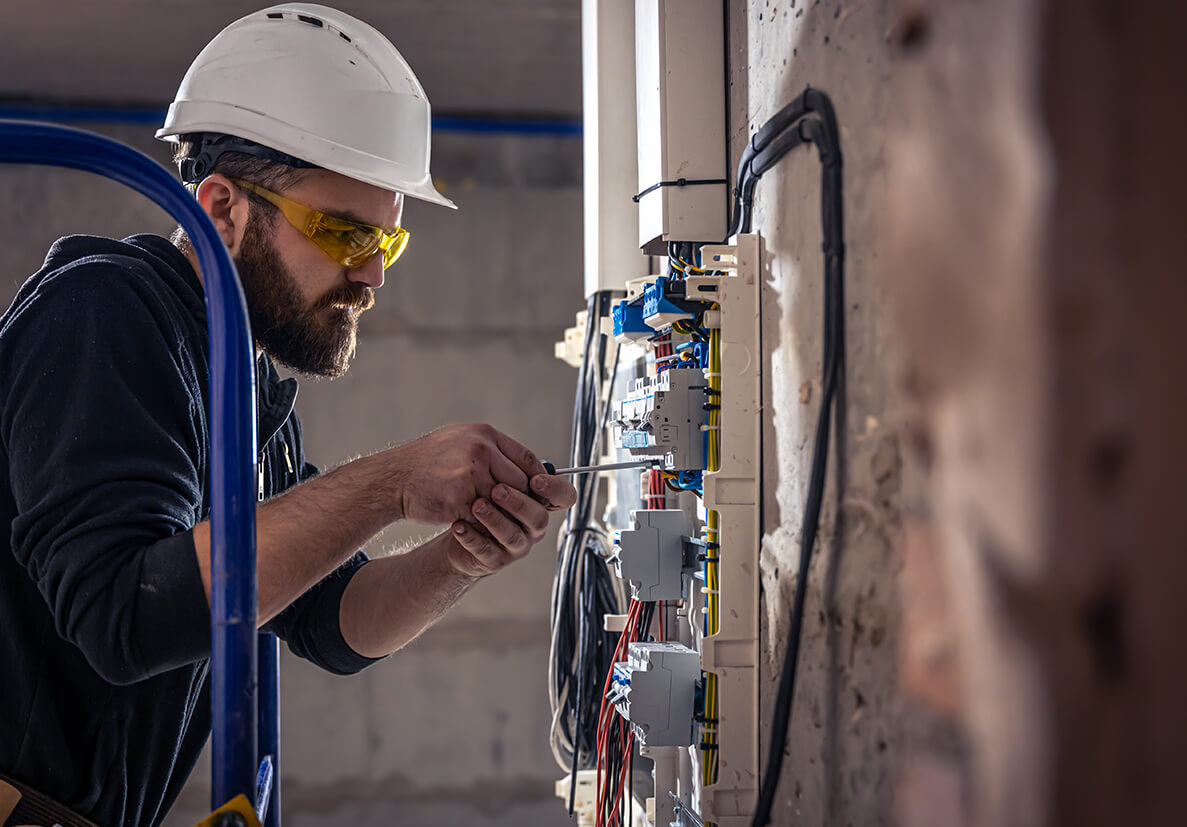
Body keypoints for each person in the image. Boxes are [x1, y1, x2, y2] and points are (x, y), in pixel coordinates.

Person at [0, 5, 577, 826]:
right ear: (222, 209)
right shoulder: (103, 316)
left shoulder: (244, 380)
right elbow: (125, 616)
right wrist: (393, 480)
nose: (372, 274)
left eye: (388, 241)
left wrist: (461, 555)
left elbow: (334, 623)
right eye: (344, 232)